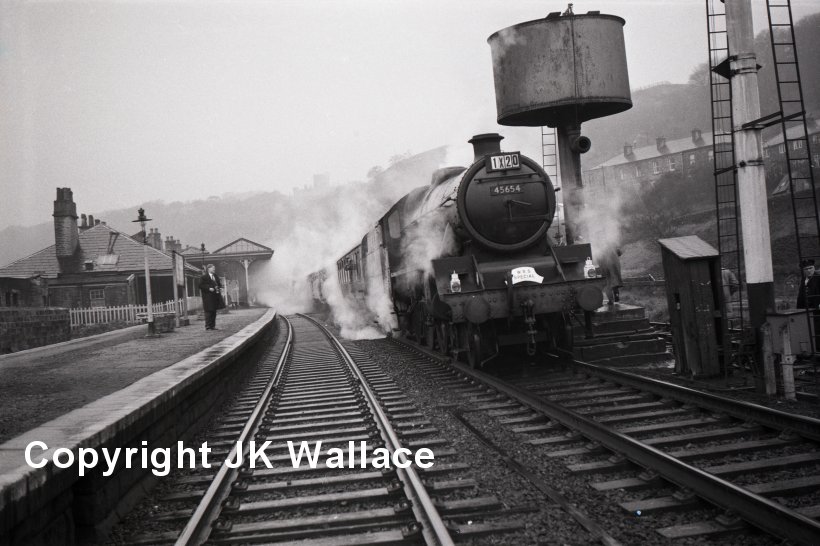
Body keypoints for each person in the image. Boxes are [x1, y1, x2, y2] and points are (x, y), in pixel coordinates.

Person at [199, 264, 223, 330]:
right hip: (208, 297)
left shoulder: (215, 276)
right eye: (213, 268)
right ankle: (208, 326)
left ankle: (213, 326)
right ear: (208, 269)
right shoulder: (204, 277)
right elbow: (200, 286)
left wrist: (220, 288)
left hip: (215, 296)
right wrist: (209, 288)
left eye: (214, 268)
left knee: (214, 311)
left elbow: (219, 284)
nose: (214, 269)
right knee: (208, 311)